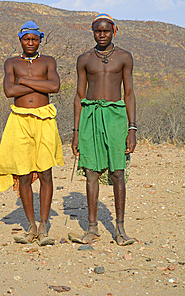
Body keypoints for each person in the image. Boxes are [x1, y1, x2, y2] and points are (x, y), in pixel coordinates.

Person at [0, 20, 64, 246]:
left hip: (44, 119)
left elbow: (54, 87)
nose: (30, 42)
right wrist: (38, 83)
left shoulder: (48, 61)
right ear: (20, 40)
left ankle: (44, 226)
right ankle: (30, 225)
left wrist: (24, 80)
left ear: (40, 39)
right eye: (26, 39)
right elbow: (9, 91)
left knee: (45, 173)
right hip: (19, 119)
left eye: (34, 39)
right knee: (23, 174)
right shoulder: (11, 63)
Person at [72, 13, 136, 246]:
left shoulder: (124, 57)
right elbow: (79, 95)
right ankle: (92, 228)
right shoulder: (85, 59)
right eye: (98, 31)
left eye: (106, 31)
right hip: (90, 115)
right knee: (91, 172)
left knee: (118, 172)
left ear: (114, 31)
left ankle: (120, 229)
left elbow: (128, 94)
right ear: (93, 32)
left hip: (116, 116)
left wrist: (132, 128)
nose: (102, 35)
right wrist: (76, 132)